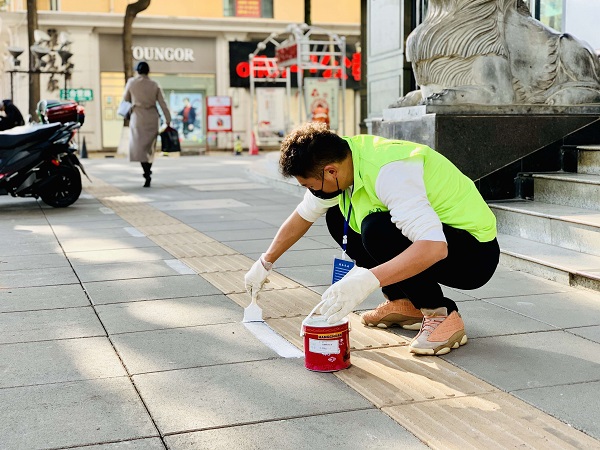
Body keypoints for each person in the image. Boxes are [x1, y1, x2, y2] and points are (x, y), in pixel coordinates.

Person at [244, 122, 500, 356]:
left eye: (311, 185)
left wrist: (367, 281)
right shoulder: (344, 161)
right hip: (441, 241)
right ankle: (406, 301)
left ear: (330, 171)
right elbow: (303, 215)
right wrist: (265, 263)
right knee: (337, 216)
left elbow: (434, 248)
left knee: (376, 229)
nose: (312, 192)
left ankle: (440, 314)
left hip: (473, 254)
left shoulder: (390, 172)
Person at [122, 61, 172, 187]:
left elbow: (125, 99)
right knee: (149, 148)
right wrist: (168, 119)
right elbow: (162, 103)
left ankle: (146, 172)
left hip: (138, 118)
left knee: (139, 148)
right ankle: (148, 170)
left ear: (137, 71)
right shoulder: (154, 84)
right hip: (152, 118)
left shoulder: (131, 83)